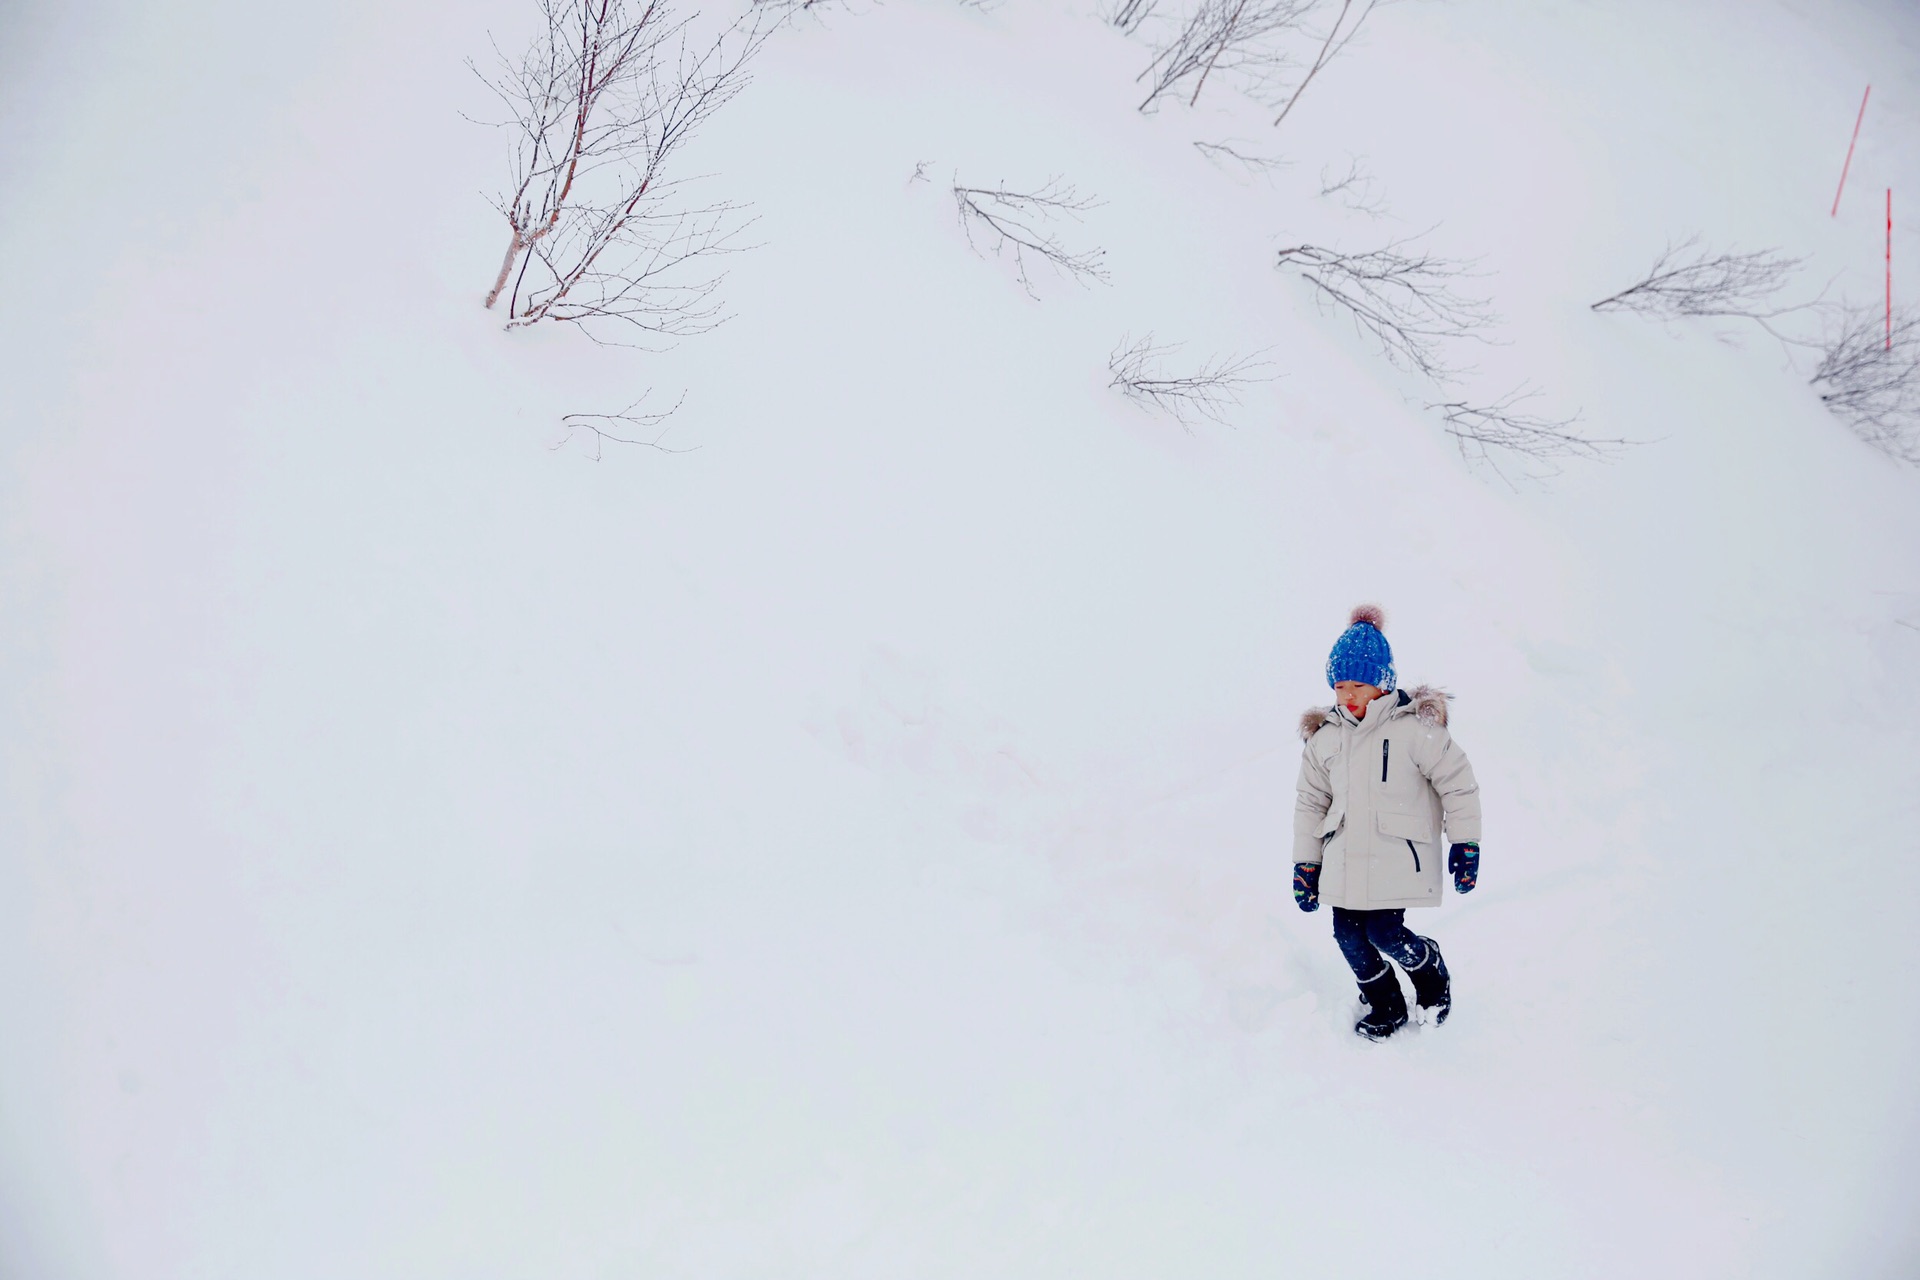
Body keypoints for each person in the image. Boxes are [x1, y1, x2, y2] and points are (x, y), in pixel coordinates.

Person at [1292, 605, 1482, 1040]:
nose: (1347, 696)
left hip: (1396, 856)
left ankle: (1429, 970)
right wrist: (1306, 864)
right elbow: (1310, 803)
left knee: (1383, 931)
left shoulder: (1416, 730)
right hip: (1343, 856)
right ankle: (1387, 1003)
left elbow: (1459, 785)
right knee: (1347, 934)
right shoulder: (1325, 739)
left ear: (1383, 682)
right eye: (1339, 686)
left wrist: (1465, 842)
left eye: (1358, 684)